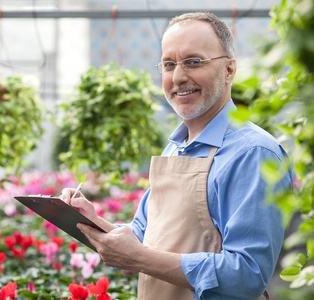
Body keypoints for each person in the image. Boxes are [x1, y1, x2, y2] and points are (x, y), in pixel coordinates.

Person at [60, 11, 293, 300]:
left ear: (230, 70)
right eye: (169, 64)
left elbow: (247, 274)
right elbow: (147, 238)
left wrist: (140, 259)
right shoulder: (175, 146)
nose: (179, 76)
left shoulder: (253, 153)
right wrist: (94, 221)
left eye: (193, 62)